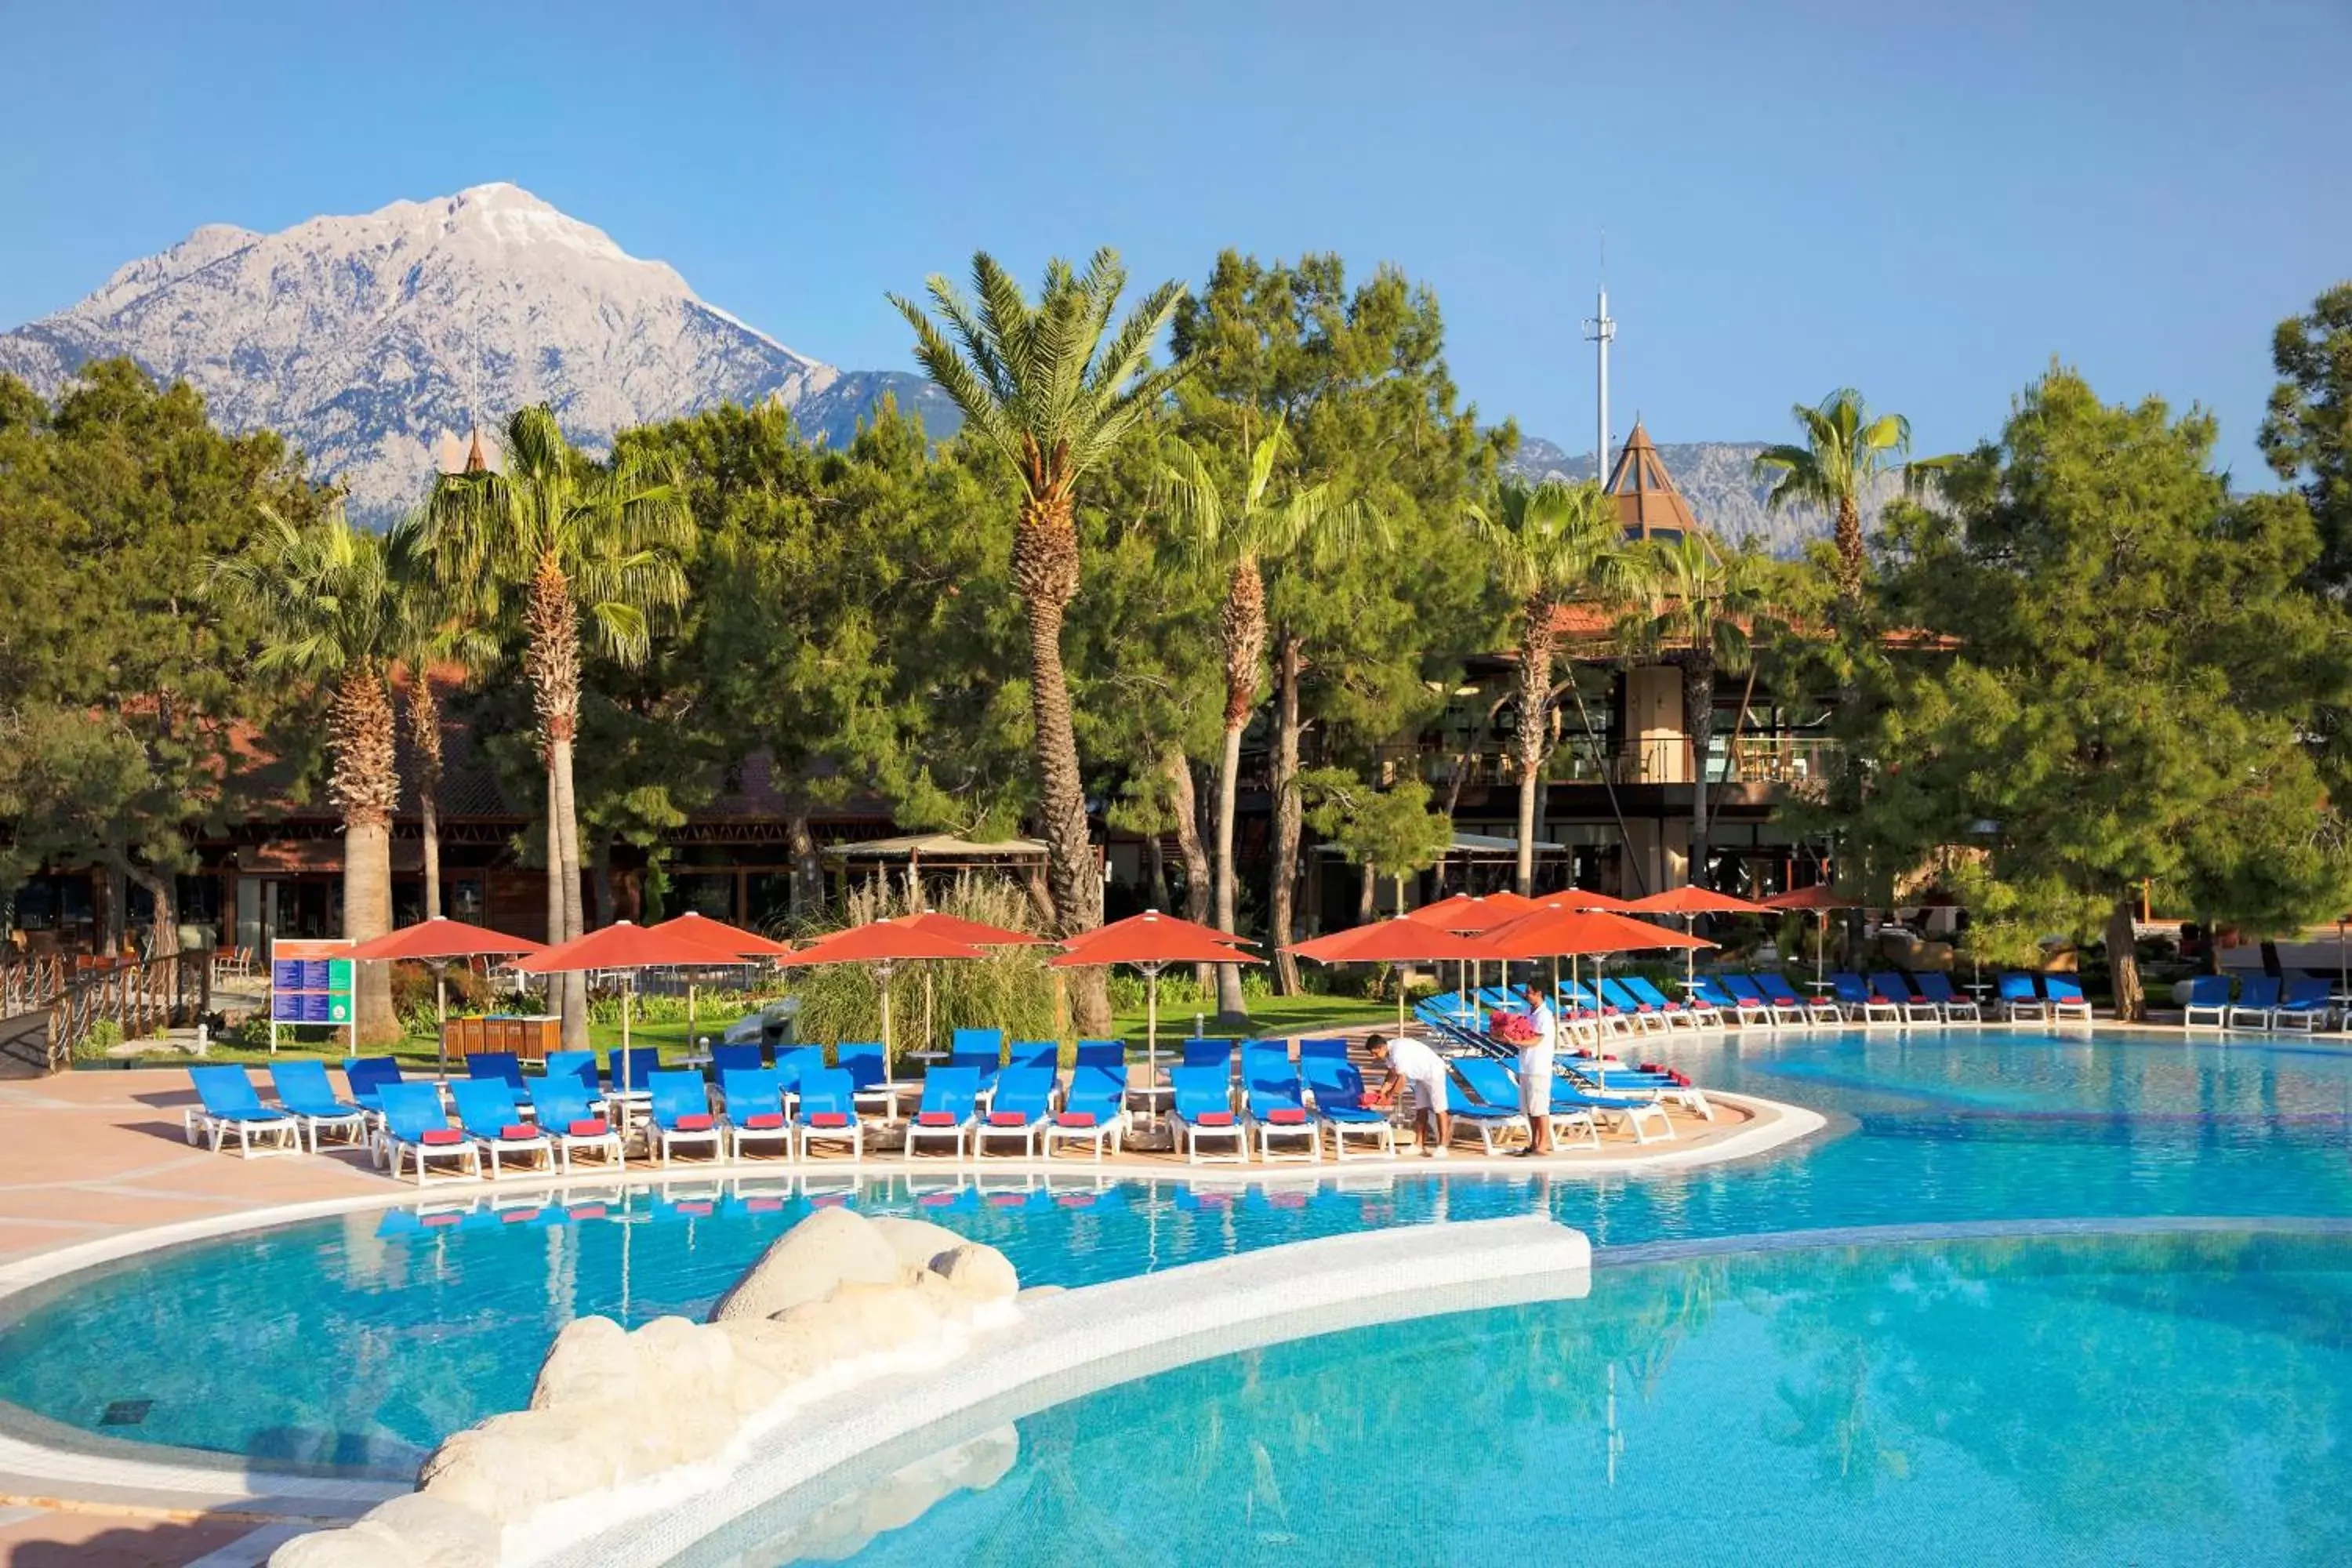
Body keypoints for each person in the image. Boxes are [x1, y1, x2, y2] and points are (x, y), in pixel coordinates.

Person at [1370, 1032, 1451, 1156]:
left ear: (1382, 1047)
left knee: (1439, 1109)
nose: (1374, 1057)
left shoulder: (1397, 1053)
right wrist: (1382, 1091)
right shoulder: (1389, 1053)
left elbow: (1401, 1081)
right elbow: (1392, 1074)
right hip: (1420, 1077)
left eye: (1375, 1053)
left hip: (1434, 1072)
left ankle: (1443, 1147)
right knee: (1421, 1109)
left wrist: (1389, 1097)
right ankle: (1419, 1145)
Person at [1514, 983, 1558, 1156]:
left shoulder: (1545, 1016)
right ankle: (1533, 1143)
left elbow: (1536, 1040)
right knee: (1530, 1109)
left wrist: (1514, 1042)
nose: (1526, 995)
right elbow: (1519, 1030)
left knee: (1540, 1109)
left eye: (1529, 992)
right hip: (1525, 1066)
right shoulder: (1527, 1013)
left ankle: (1543, 1145)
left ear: (1539, 993)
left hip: (1539, 1067)